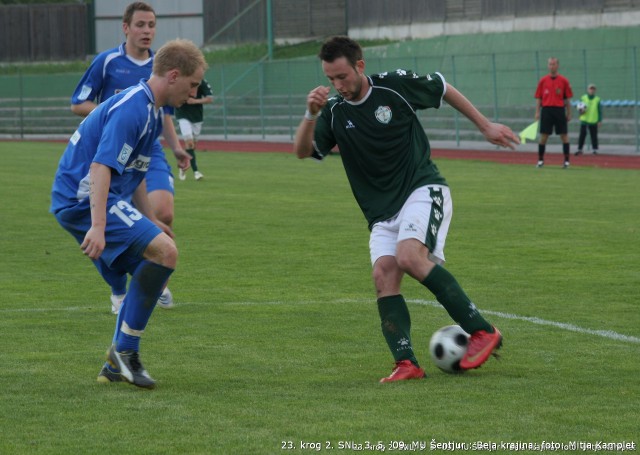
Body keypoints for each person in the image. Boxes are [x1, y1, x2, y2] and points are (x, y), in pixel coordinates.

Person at [293, 36, 519, 383]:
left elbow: (443, 87)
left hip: (422, 189)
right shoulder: (334, 112)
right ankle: (406, 363)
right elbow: (303, 151)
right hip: (381, 213)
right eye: (330, 79)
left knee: (409, 257)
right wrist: (311, 113)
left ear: (360, 66)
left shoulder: (393, 87)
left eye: (342, 76)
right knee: (384, 276)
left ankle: (482, 330)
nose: (337, 85)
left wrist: (485, 125)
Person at [51, 39, 207, 388]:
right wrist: (98, 226)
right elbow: (101, 167)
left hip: (96, 197)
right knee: (165, 253)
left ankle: (117, 359)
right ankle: (125, 353)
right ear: (172, 75)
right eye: (192, 84)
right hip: (83, 198)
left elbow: (133, 172)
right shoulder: (134, 107)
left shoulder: (151, 110)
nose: (194, 92)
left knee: (155, 266)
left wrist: (150, 219)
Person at [70, 2, 188, 313]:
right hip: (115, 148)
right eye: (140, 25)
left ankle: (152, 272)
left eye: (151, 25)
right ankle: (120, 287)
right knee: (113, 212)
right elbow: (78, 103)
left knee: (163, 211)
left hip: (149, 147)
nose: (147, 30)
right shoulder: (107, 62)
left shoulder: (162, 65)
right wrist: (112, 116)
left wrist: (176, 148)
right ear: (126, 27)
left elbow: (165, 115)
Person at [534, 57, 574, 169]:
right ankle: (540, 160)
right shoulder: (543, 80)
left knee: (564, 136)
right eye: (550, 64)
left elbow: (567, 99)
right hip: (546, 110)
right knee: (543, 137)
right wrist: (537, 112)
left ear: (558, 65)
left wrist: (569, 113)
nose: (552, 66)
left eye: (554, 64)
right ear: (548, 66)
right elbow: (538, 98)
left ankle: (566, 161)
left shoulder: (564, 81)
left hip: (559, 110)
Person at [175, 79, 214, 181]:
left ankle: (183, 164)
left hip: (197, 117)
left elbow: (210, 99)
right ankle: (196, 172)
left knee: (192, 147)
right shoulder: (180, 79)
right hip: (182, 115)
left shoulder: (201, 81)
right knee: (189, 143)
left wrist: (195, 101)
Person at [575, 84, 602, 155]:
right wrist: (581, 111)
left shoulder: (597, 99)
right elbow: (579, 107)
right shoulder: (583, 98)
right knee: (582, 135)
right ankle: (580, 149)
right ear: (588, 90)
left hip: (593, 120)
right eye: (590, 89)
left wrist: (599, 120)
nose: (592, 90)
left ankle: (595, 149)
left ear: (595, 90)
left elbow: (599, 110)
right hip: (584, 120)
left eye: (593, 89)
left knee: (594, 135)